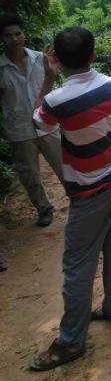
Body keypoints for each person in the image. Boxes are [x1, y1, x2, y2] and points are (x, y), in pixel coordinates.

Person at [29, 26, 111, 371]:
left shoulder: (57, 100)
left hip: (90, 190)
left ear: (58, 61)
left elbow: (38, 121)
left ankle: (70, 342)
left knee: (78, 265)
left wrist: (48, 80)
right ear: (94, 56)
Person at [0, 14, 63, 227]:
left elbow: (49, 89)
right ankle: (44, 209)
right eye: (8, 35)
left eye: (18, 33)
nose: (14, 39)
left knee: (64, 165)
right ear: (2, 38)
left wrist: (51, 76)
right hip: (19, 130)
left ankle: (81, 200)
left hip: (47, 124)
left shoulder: (40, 58)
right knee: (29, 175)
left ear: (24, 34)